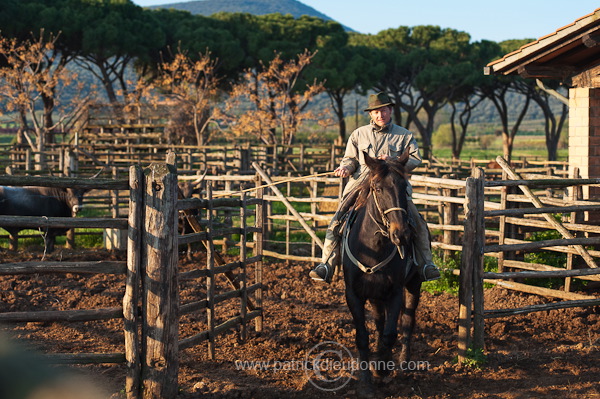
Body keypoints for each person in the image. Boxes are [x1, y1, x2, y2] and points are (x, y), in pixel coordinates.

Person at [309, 92, 441, 283]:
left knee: (418, 223)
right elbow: (350, 159)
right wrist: (346, 168)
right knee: (336, 222)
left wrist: (393, 161)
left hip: (393, 190)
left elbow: (415, 159)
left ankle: (427, 265)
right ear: (370, 114)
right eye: (376, 112)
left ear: (390, 110)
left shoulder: (405, 136)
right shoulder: (358, 134)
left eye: (384, 110)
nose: (380, 115)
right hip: (361, 186)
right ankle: (326, 264)